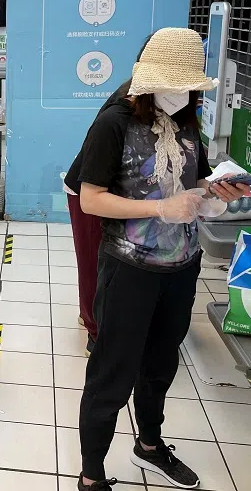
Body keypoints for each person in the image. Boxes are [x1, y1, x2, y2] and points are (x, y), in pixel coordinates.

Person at [73, 28, 250, 491]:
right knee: (113, 372)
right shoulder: (113, 123)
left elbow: (198, 182)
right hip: (129, 268)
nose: (181, 94)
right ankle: (91, 476)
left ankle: (149, 445)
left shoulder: (187, 121)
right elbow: (90, 199)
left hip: (181, 266)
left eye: (188, 87)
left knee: (160, 364)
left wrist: (216, 196)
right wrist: (157, 208)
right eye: (173, 85)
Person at [64, 37, 153, 355]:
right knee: (94, 262)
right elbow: (91, 195)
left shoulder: (168, 111)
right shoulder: (119, 116)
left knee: (113, 266)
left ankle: (99, 317)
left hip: (122, 195)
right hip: (89, 191)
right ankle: (95, 330)